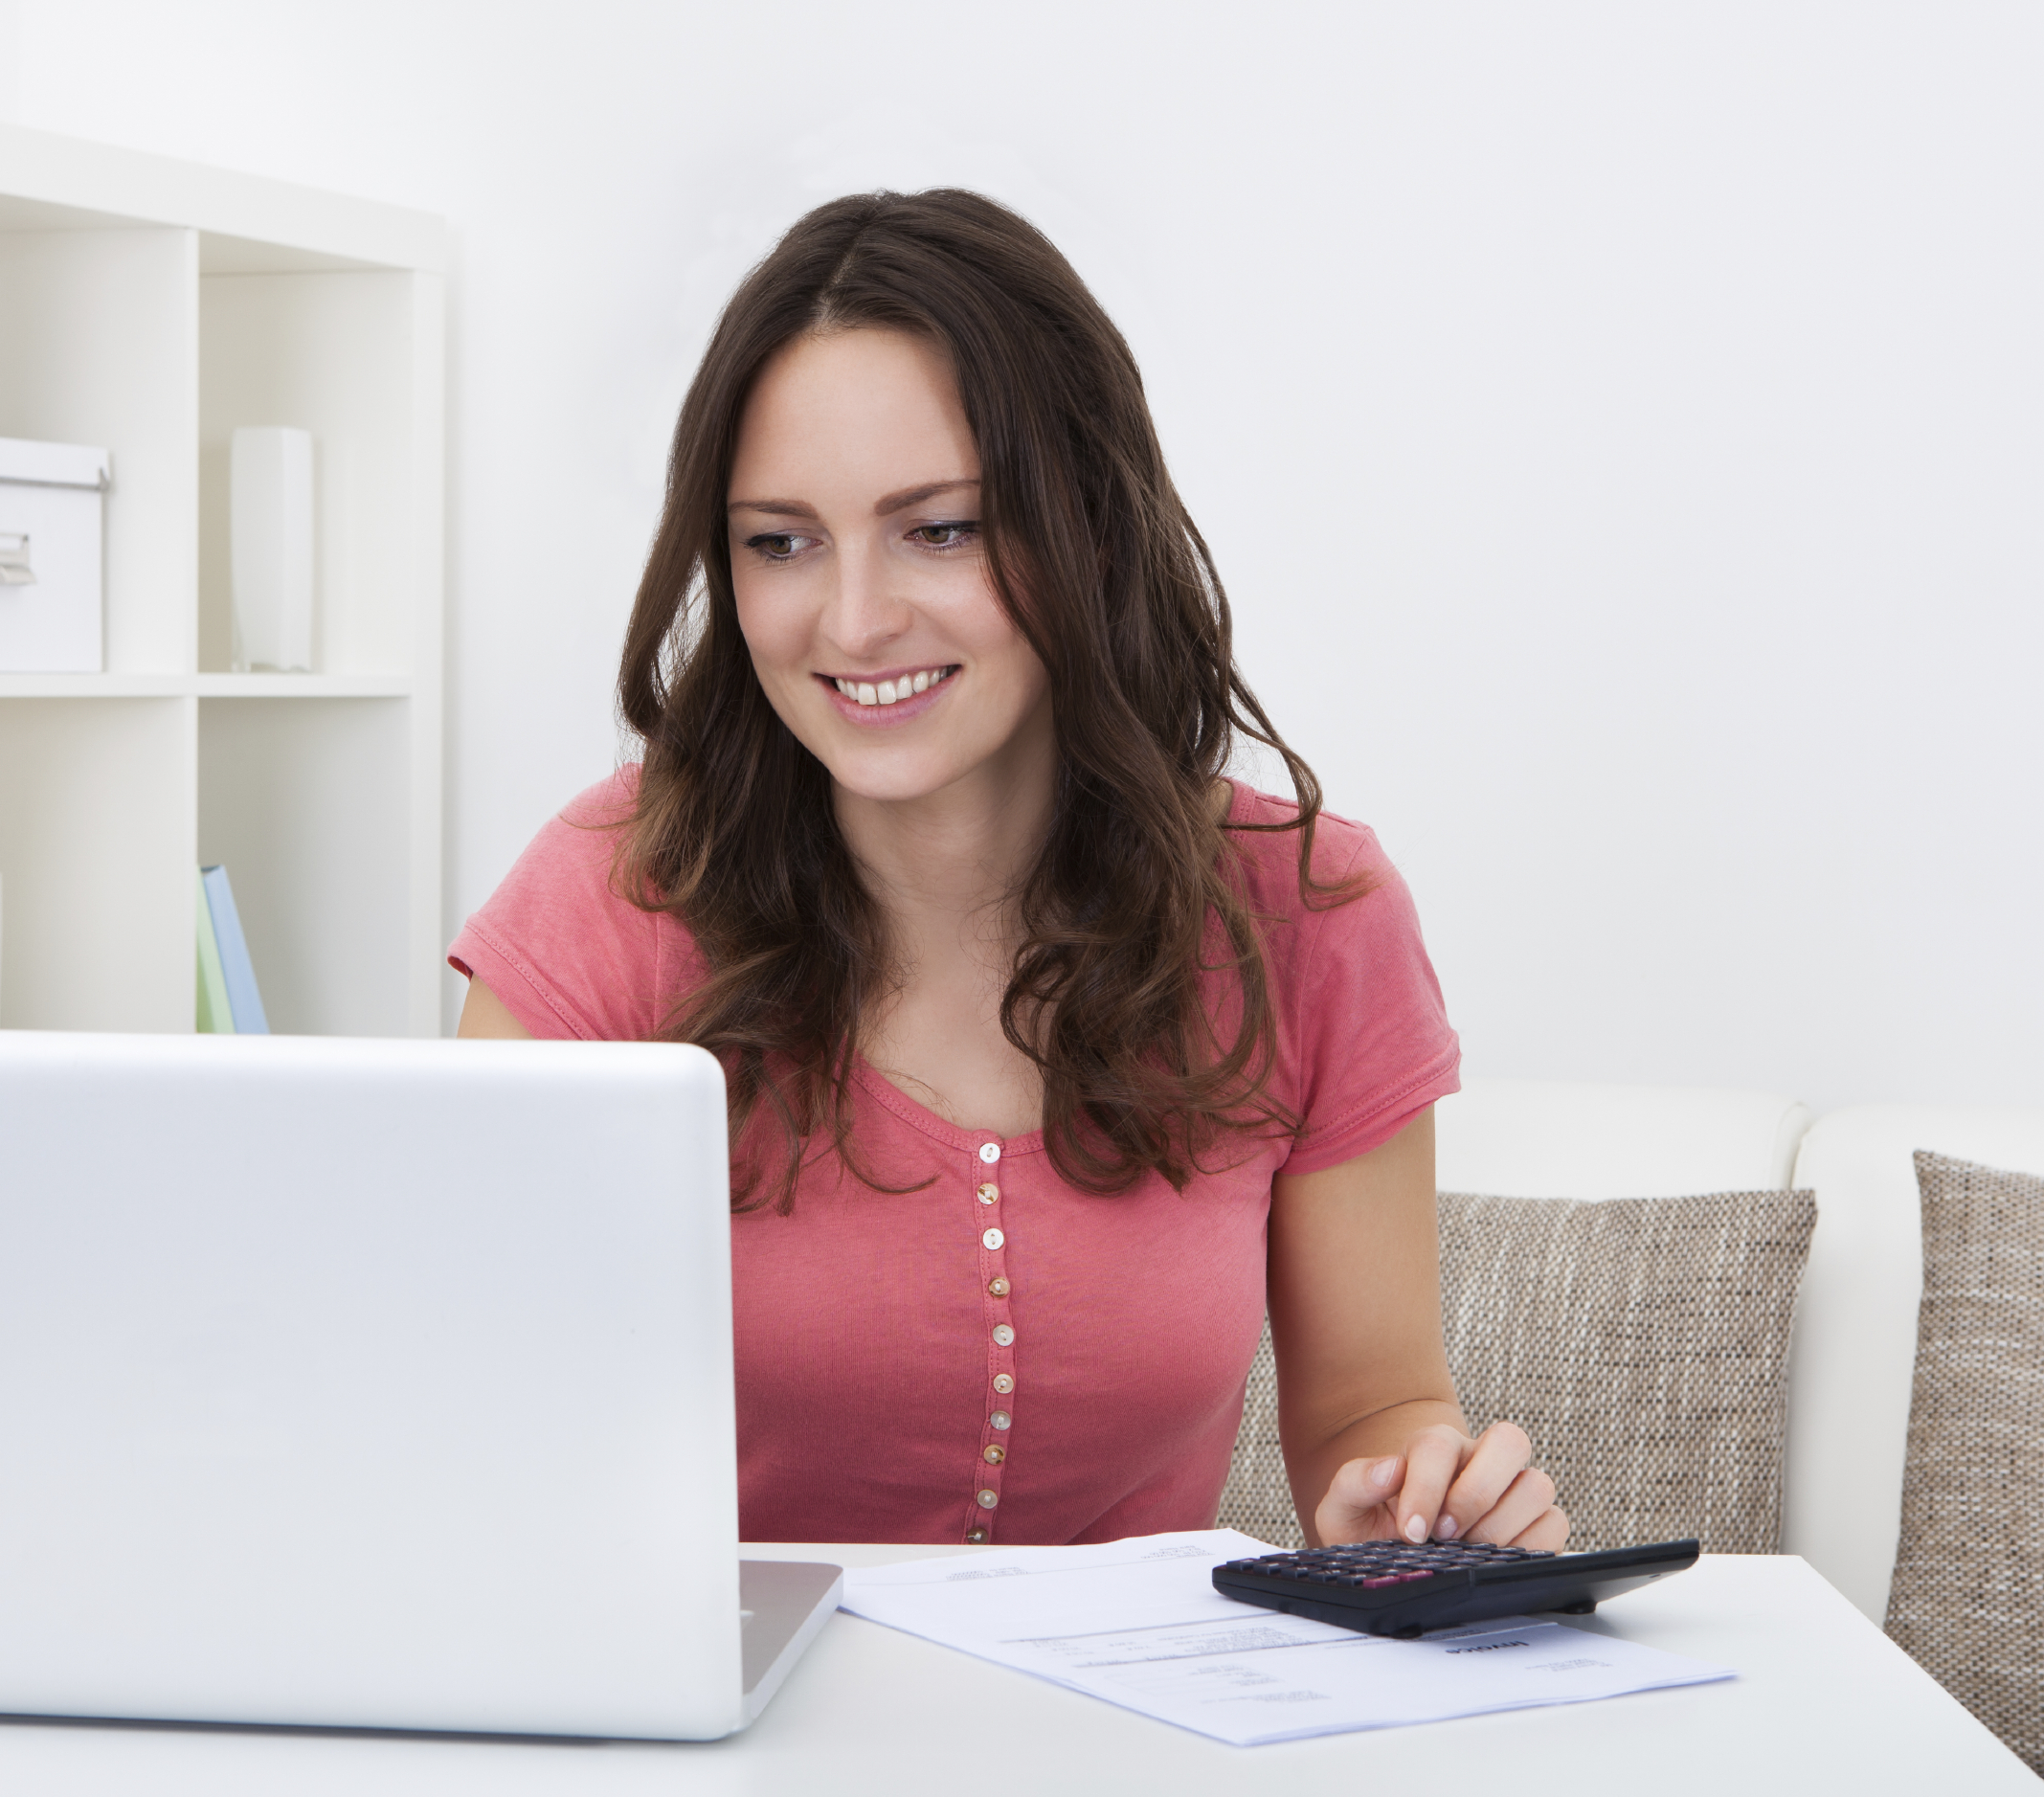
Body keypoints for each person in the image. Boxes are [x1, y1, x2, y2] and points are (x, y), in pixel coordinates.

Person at [451, 189, 1567, 1554]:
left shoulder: (1312, 915)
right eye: (780, 541)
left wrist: (1414, 1504)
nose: (855, 620)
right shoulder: (608, 903)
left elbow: (1375, 1404)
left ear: (1086, 525)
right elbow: (474, 1426)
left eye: (944, 528)